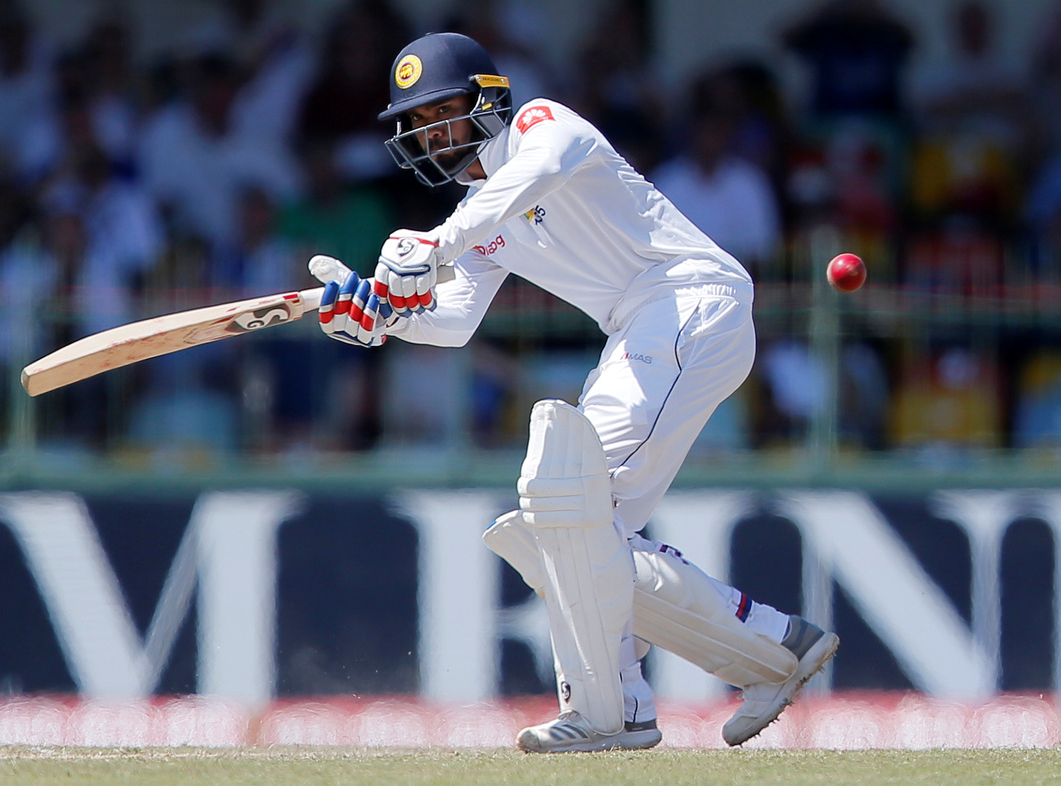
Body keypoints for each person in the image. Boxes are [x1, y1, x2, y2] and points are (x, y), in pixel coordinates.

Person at [314, 32, 839, 752]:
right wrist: (382, 319)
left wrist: (435, 245)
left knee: (569, 502)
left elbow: (532, 176)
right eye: (418, 123)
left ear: (487, 103)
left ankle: (616, 710)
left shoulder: (543, 126)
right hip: (646, 327)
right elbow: (455, 321)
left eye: (442, 113)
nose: (431, 135)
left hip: (688, 299)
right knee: (568, 528)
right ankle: (762, 654)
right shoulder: (479, 215)